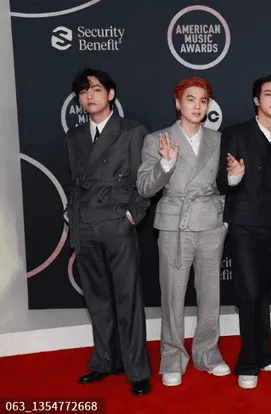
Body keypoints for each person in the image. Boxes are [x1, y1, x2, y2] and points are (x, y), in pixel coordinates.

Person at [137, 77, 231, 387]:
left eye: (203, 101)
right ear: (178, 103)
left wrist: (224, 212)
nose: (197, 106)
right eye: (190, 99)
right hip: (174, 225)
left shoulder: (218, 140)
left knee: (210, 296)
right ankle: (173, 358)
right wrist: (165, 164)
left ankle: (208, 354)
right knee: (173, 297)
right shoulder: (157, 139)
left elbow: (226, 182)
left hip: (210, 225)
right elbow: (144, 188)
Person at [65, 68, 151, 396]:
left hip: (118, 223)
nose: (90, 96)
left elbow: (143, 182)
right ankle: (103, 362)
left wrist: (132, 215)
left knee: (128, 299)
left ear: (111, 94)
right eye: (84, 91)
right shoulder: (74, 136)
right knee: (97, 299)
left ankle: (136, 370)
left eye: (97, 89)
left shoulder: (132, 131)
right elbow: (74, 182)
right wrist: (75, 222)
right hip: (85, 224)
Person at [216, 73, 271, 390]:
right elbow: (221, 183)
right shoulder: (235, 133)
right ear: (256, 100)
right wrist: (235, 176)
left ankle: (263, 352)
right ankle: (247, 362)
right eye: (268, 94)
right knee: (248, 294)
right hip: (244, 226)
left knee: (261, 294)